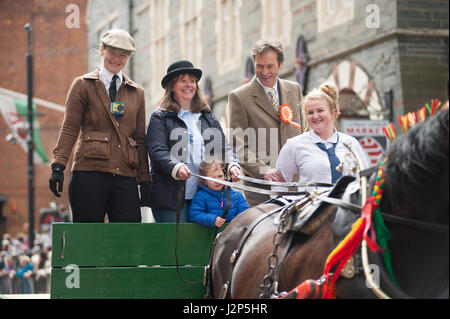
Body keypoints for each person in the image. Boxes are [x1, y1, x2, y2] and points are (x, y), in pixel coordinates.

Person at [49, 29, 150, 222]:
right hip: (89, 172)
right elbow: (70, 128)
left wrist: (144, 179)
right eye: (113, 53)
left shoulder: (137, 93)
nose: (117, 59)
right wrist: (58, 166)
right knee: (88, 238)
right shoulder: (82, 85)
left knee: (128, 239)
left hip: (125, 174)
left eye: (123, 55)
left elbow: (139, 138)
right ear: (102, 50)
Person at [146, 60, 241, 223]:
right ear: (172, 87)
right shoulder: (160, 117)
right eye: (182, 81)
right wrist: (175, 166)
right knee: (179, 245)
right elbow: (157, 150)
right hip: (172, 197)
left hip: (207, 195)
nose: (188, 85)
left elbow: (223, 146)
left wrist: (232, 164)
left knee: (207, 246)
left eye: (192, 81)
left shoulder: (206, 116)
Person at [226, 39, 303, 206]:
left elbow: (303, 135)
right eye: (259, 66)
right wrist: (264, 171)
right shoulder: (239, 97)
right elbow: (238, 146)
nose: (264, 72)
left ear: (280, 64)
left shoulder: (295, 89)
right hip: (262, 190)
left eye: (270, 66)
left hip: (298, 187)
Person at [274, 83, 369, 192]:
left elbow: (365, 178)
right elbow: (278, 184)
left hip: (347, 207)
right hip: (312, 207)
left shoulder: (351, 143)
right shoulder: (294, 145)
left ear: (333, 113)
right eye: (310, 112)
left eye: (320, 111)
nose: (315, 116)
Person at [188, 159, 249, 228]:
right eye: (212, 178)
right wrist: (212, 220)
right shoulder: (201, 196)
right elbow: (194, 215)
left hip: (233, 235)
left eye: (220, 176)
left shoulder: (237, 196)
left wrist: (238, 220)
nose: (217, 181)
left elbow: (245, 212)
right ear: (204, 181)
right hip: (209, 235)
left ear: (225, 176)